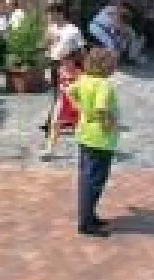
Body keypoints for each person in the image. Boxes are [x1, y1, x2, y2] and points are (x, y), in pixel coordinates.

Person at [69, 47, 119, 237]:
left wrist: (81, 109)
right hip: (100, 139)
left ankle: (89, 216)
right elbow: (101, 108)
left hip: (84, 135)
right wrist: (107, 124)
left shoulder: (84, 79)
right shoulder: (104, 85)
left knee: (86, 178)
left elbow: (69, 92)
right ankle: (86, 223)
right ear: (106, 65)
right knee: (95, 181)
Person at [42, 52, 81, 158]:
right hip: (63, 101)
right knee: (55, 124)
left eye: (68, 61)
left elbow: (81, 89)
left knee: (77, 128)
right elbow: (58, 87)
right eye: (63, 62)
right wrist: (58, 100)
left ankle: (82, 150)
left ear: (73, 62)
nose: (65, 64)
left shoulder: (79, 73)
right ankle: (49, 150)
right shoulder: (60, 71)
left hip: (75, 102)